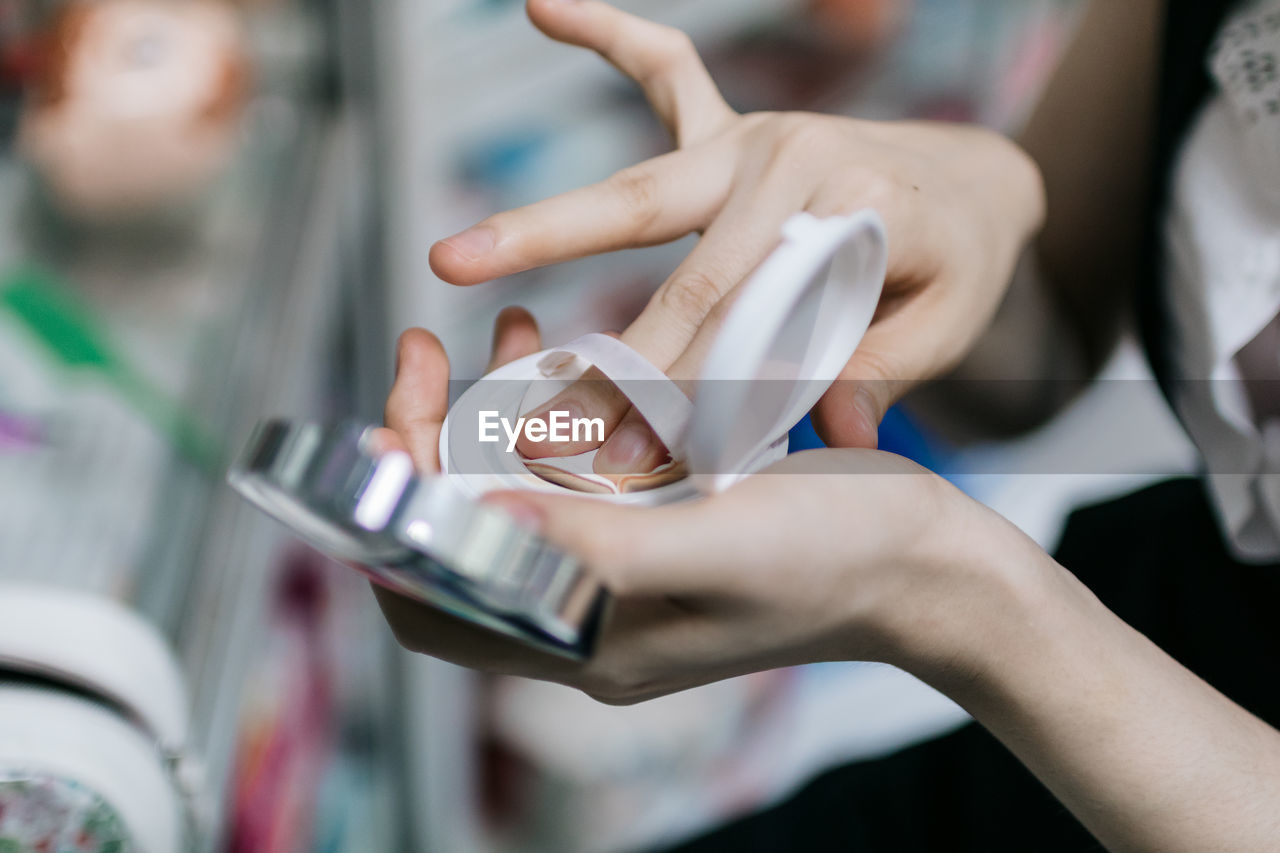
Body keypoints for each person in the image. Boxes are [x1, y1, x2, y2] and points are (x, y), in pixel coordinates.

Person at [373, 0, 1280, 849]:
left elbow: (970, 598)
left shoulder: (987, 607)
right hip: (1083, 706)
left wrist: (963, 599)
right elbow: (1037, 355)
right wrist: (961, 209)